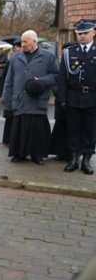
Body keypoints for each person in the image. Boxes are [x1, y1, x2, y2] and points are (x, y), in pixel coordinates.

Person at [2, 30, 58, 165]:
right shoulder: (15, 58)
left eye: (25, 42)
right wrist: (6, 101)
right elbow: (9, 81)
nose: (22, 44)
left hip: (37, 100)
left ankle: (37, 154)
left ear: (34, 41)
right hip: (19, 99)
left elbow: (56, 76)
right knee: (19, 128)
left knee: (37, 130)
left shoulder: (48, 57)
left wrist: (42, 81)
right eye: (21, 41)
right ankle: (19, 153)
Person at [57, 19, 96, 175]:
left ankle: (86, 160)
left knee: (90, 131)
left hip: (92, 98)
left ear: (94, 32)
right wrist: (62, 99)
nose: (82, 36)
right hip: (73, 97)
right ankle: (73, 159)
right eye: (79, 34)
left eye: (85, 33)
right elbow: (62, 78)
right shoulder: (69, 53)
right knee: (73, 130)